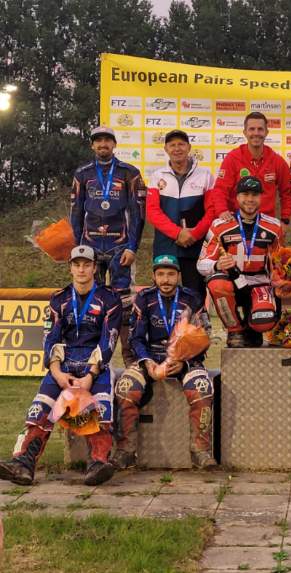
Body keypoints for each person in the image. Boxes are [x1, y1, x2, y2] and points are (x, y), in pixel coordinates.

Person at [0, 246, 122, 486]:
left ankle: (97, 464)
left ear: (94, 268)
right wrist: (57, 373)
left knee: (101, 412)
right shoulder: (59, 299)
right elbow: (50, 338)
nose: (81, 269)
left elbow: (108, 340)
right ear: (70, 268)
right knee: (39, 410)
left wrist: (89, 376)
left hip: (94, 365)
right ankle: (23, 464)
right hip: (64, 364)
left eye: (86, 264)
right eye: (77, 264)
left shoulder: (110, 299)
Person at [112, 254, 215, 470]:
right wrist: (148, 363)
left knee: (202, 388)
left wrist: (185, 362)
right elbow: (135, 338)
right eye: (160, 274)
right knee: (125, 387)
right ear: (154, 277)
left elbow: (204, 336)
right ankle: (126, 451)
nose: (165, 279)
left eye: (170, 274)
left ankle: (200, 451)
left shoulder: (192, 298)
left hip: (184, 359)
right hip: (152, 357)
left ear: (178, 276)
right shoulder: (144, 298)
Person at [71, 126, 146, 365]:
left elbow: (137, 214)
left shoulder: (129, 173)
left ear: (114, 144)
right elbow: (76, 212)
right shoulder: (82, 173)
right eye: (98, 141)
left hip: (119, 246)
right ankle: (88, 358)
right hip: (90, 246)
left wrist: (132, 247)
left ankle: (130, 359)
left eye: (107, 140)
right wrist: (78, 248)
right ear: (92, 145)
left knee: (124, 303)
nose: (103, 144)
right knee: (89, 301)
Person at [198, 176, 281, 347]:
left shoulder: (274, 227)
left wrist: (282, 282)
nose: (250, 199)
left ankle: (251, 327)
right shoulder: (219, 226)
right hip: (232, 282)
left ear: (261, 197)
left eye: (254, 195)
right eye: (245, 194)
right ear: (237, 197)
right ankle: (234, 330)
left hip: (259, 283)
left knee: (262, 324)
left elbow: (279, 264)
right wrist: (217, 264)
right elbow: (201, 264)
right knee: (217, 284)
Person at [146, 129, 215, 304]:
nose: (177, 149)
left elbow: (212, 211)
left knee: (196, 294)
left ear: (189, 147)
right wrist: (178, 233)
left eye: (181, 144)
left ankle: (197, 321)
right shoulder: (157, 176)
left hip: (195, 245)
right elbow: (152, 212)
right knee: (163, 293)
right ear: (166, 149)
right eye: (172, 145)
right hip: (166, 245)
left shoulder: (205, 175)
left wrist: (194, 234)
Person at [210, 112, 291, 235]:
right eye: (252, 129)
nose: (256, 133)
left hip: (266, 224)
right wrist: (222, 211)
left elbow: (287, 193)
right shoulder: (233, 158)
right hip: (237, 222)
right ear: (245, 132)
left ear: (266, 132)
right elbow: (220, 189)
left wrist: (285, 220)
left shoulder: (277, 161)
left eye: (260, 129)